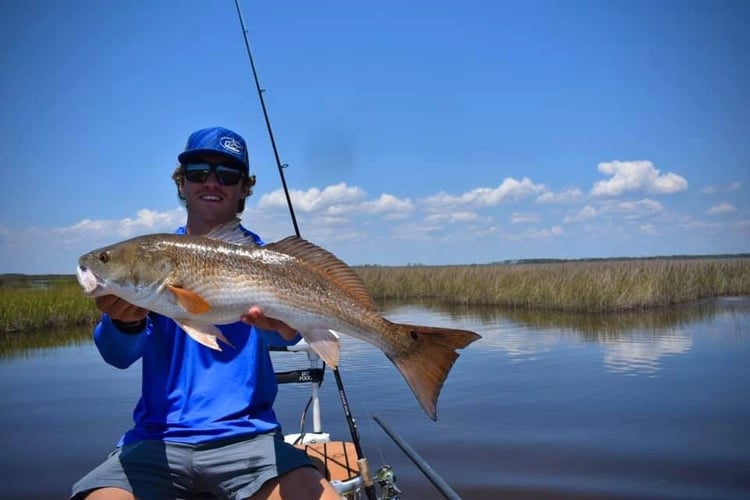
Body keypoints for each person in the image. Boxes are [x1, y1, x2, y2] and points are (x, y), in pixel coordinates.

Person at [71, 126, 340, 500]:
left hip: (250, 438)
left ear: (245, 188)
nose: (211, 182)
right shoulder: (151, 260)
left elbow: (286, 335)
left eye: (228, 175)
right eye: (198, 172)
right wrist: (123, 321)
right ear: (181, 183)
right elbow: (117, 356)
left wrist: (281, 324)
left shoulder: (269, 260)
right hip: (157, 440)